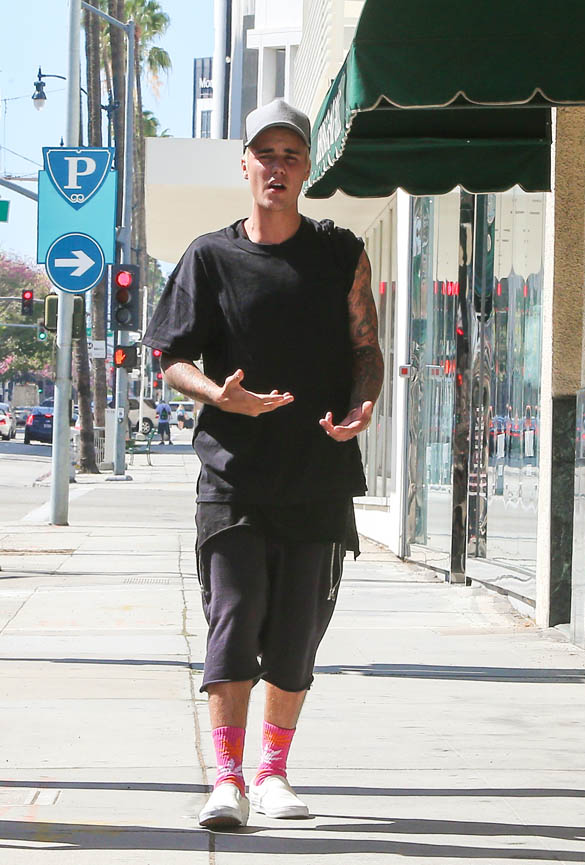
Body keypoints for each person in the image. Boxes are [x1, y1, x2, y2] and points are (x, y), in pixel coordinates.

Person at [142, 98, 383, 829]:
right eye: (265, 155)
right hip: (233, 476)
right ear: (243, 164)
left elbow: (366, 347)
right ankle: (227, 779)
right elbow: (170, 357)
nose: (277, 167)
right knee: (235, 618)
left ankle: (273, 772)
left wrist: (362, 404)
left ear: (307, 168)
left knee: (296, 634)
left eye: (291, 155)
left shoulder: (341, 252)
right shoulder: (210, 258)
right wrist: (218, 394)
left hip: (318, 477)